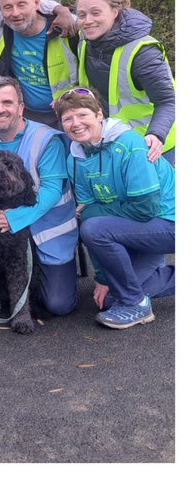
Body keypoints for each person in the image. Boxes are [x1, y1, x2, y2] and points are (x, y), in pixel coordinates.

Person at [0, 77, 78, 317]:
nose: (0, 109)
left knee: (57, 304)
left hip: (45, 230)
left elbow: (51, 189)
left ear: (21, 106)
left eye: (7, 102)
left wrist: (16, 218)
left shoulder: (47, 139)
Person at [55, 88, 175, 329]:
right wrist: (102, 278)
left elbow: (146, 209)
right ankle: (136, 293)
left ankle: (136, 305)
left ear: (100, 114)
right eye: (67, 118)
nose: (75, 123)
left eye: (82, 115)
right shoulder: (75, 158)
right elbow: (90, 210)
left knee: (93, 225)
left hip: (169, 222)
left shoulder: (130, 143)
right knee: (109, 299)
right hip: (138, 230)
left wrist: (93, 213)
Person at [73, 0, 175, 164]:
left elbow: (168, 101)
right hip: (114, 145)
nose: (87, 21)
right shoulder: (85, 42)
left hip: (154, 147)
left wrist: (156, 134)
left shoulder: (143, 52)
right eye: (81, 15)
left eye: (96, 13)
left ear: (115, 12)